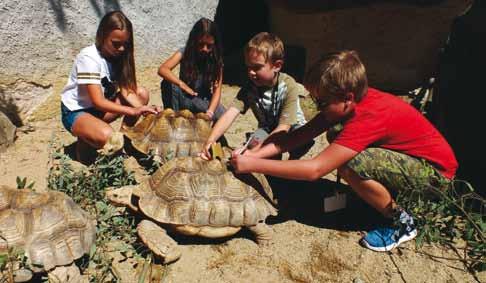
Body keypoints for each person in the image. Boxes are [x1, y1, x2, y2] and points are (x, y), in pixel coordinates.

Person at [229, 50, 458, 252]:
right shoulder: (350, 103)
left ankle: (403, 222)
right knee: (336, 135)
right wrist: (253, 154)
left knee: (353, 163)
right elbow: (300, 136)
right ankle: (378, 198)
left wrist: (252, 165)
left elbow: (314, 170)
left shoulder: (368, 117)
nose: (318, 108)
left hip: (435, 178)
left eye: (322, 103)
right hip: (414, 162)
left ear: (347, 98)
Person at [60, 11, 158, 161]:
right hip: (77, 111)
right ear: (102, 36)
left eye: (125, 44)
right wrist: (133, 110)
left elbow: (127, 89)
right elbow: (98, 102)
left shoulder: (118, 56)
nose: (121, 49)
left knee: (141, 94)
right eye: (116, 44)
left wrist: (147, 111)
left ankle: (123, 140)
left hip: (99, 110)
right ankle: (86, 139)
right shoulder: (89, 58)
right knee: (108, 137)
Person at [200, 32, 309, 159]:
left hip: (292, 130)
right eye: (248, 67)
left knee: (294, 143)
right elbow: (230, 113)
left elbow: (284, 128)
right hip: (268, 129)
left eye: (257, 67)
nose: (251, 72)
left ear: (277, 66)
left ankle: (292, 163)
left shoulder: (288, 86)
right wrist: (210, 140)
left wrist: (254, 152)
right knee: (253, 146)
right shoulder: (250, 87)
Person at [158, 17, 225, 121]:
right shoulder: (185, 52)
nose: (205, 49)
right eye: (201, 44)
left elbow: (217, 91)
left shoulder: (216, 60)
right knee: (168, 83)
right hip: (184, 97)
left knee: (223, 115)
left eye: (209, 46)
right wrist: (182, 84)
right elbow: (162, 69)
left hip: (201, 100)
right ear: (194, 41)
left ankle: (211, 134)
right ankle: (175, 120)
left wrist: (210, 113)